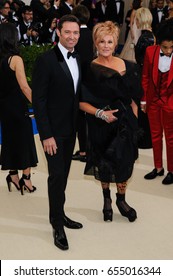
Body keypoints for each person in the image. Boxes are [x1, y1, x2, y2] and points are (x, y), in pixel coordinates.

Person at [80, 21, 142, 223]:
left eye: (110, 42)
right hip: (101, 125)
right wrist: (101, 114)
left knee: (124, 163)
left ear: (116, 44)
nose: (106, 45)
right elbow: (81, 103)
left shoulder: (128, 66)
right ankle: (106, 200)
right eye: (101, 42)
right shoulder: (90, 69)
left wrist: (134, 124)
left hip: (124, 125)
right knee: (104, 164)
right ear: (95, 44)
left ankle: (121, 201)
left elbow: (133, 100)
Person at [32, 15, 83, 251]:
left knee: (62, 177)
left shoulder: (79, 58)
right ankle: (56, 225)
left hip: (70, 129)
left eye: (76, 33)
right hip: (53, 133)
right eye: (68, 32)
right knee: (56, 177)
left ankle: (60, 214)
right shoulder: (46, 60)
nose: (72, 36)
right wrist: (46, 135)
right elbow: (39, 101)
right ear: (59, 33)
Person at [0, 22, 38, 195]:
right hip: (17, 106)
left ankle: (13, 175)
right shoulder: (15, 59)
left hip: (4, 107)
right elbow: (24, 87)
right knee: (25, 141)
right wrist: (38, 106)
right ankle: (26, 178)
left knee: (10, 140)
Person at [141, 18, 173, 184]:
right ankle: (158, 167)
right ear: (158, 43)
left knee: (170, 138)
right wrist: (144, 100)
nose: (168, 51)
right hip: (153, 101)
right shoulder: (150, 52)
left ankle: (172, 170)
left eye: (171, 47)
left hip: (171, 102)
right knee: (154, 135)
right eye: (164, 47)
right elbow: (145, 76)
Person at [72, 4, 94, 162]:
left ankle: (83, 151)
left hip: (78, 79)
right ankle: (89, 149)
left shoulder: (76, 35)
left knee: (80, 116)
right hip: (91, 79)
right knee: (90, 115)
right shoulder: (92, 34)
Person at [135, 7, 155, 149]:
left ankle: (144, 140)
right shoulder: (150, 35)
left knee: (143, 107)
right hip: (145, 73)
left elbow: (144, 60)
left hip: (143, 74)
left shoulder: (145, 37)